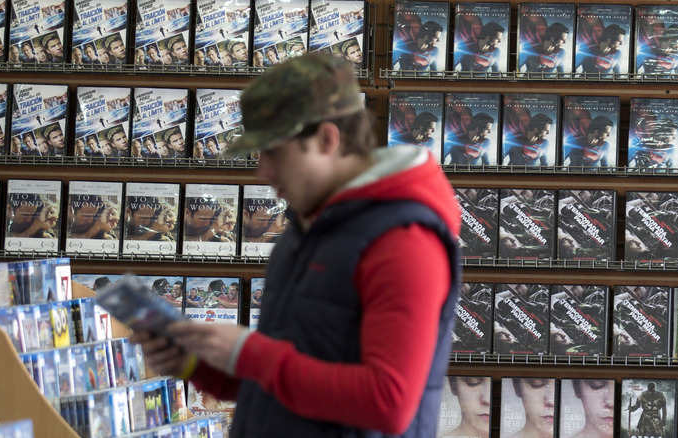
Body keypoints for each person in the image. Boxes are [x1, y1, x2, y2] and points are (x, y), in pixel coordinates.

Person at [130, 53, 461, 437]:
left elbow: (387, 403)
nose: (263, 171)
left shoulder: (405, 241)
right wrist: (197, 366)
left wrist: (249, 354)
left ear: (326, 139)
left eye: (274, 152)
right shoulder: (307, 228)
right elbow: (282, 382)